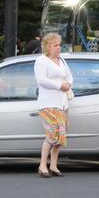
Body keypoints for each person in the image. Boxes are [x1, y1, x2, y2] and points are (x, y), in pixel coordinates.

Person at [34, 32, 73, 178]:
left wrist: (68, 84)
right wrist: (59, 85)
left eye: (59, 45)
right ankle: (42, 165)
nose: (58, 48)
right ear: (47, 47)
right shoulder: (41, 61)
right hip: (48, 104)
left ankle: (54, 165)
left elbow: (69, 76)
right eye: (55, 45)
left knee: (60, 136)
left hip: (62, 104)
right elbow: (41, 80)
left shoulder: (61, 60)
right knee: (52, 135)